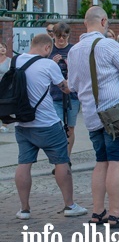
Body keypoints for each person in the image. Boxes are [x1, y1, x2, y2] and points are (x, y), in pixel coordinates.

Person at [68, 6, 119, 228]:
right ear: (103, 21)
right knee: (117, 162)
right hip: (114, 112)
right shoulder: (108, 45)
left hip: (90, 113)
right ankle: (115, 214)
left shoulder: (74, 50)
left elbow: (71, 85)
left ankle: (98, 212)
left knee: (101, 162)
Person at [14, 34, 88, 220]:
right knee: (61, 161)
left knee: (24, 163)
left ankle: (24, 209)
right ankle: (69, 205)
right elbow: (66, 88)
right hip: (47, 122)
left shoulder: (16, 61)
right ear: (47, 48)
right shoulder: (49, 65)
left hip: (22, 122)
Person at [49, 23, 80, 159]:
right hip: (54, 95)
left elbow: (81, 72)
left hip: (72, 95)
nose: (61, 39)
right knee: (58, 128)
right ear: (53, 36)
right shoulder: (49, 50)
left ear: (68, 36)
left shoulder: (74, 50)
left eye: (64, 36)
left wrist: (70, 66)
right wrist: (52, 64)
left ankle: (66, 157)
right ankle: (60, 157)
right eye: (58, 36)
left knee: (70, 127)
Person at [0, 42, 9, 133]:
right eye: (0, 47)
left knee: (4, 105)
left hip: (5, 86)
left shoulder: (9, 61)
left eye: (4, 47)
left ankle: (5, 124)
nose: (2, 49)